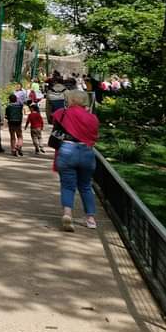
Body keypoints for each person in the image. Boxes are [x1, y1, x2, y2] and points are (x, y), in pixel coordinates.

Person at [51, 89, 100, 231]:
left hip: (67, 150)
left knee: (67, 186)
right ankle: (90, 219)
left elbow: (56, 128)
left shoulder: (63, 113)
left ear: (71, 100)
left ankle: (67, 214)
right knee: (85, 186)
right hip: (86, 152)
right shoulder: (93, 118)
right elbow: (94, 137)